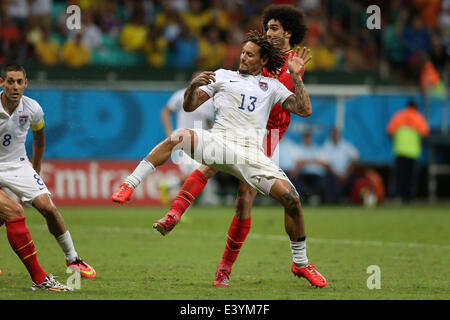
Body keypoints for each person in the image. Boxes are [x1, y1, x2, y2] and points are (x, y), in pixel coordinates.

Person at [112, 30, 327, 288]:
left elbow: (304, 109)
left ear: (263, 61)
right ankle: (130, 184)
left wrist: (295, 76)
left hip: (251, 155)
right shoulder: (223, 76)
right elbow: (190, 106)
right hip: (218, 143)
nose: (243, 58)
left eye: (250, 55)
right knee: (176, 137)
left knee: (292, 200)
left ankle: (301, 263)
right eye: (243, 52)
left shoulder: (272, 87)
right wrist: (192, 87)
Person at [0, 63, 96, 280]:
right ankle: (40, 278)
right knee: (12, 211)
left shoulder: (33, 109)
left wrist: (36, 169)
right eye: (10, 81)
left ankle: (73, 259)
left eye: (19, 82)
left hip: (18, 165)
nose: (15, 86)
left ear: (26, 84)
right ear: (2, 83)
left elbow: (40, 139)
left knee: (48, 207)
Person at [160, 71, 218, 205]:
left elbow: (208, 121)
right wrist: (169, 132)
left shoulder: (208, 101)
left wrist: (215, 134)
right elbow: (165, 112)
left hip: (201, 141)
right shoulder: (181, 95)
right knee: (195, 174)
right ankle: (180, 206)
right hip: (182, 140)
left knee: (197, 175)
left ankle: (169, 186)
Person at [386, 100, 429, 203]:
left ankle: (396, 196)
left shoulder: (399, 115)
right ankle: (408, 198)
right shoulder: (419, 117)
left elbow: (390, 131)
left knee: (399, 176)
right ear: (415, 107)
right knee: (410, 177)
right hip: (413, 152)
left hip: (400, 150)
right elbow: (425, 133)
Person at [288, 130, 328, 205]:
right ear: (303, 138)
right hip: (303, 173)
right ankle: (306, 196)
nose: (307, 139)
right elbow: (298, 163)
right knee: (295, 180)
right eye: (306, 137)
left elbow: (323, 163)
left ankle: (313, 197)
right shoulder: (297, 148)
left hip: (316, 174)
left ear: (311, 138)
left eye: (309, 137)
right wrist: (314, 161)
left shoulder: (318, 149)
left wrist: (305, 161)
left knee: (322, 182)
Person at [321, 127, 360, 203]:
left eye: (337, 133)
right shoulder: (326, 146)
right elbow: (326, 164)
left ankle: (352, 201)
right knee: (331, 180)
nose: (335, 135)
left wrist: (346, 173)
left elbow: (355, 158)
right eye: (334, 133)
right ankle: (334, 201)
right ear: (331, 134)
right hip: (332, 174)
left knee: (356, 180)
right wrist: (337, 175)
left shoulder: (345, 145)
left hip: (346, 174)